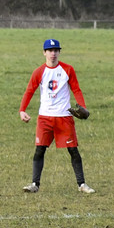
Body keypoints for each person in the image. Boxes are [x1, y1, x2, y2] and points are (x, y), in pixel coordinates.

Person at [19, 38, 93, 194]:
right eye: (50, 51)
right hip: (45, 117)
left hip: (64, 117)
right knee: (39, 150)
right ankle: (35, 184)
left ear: (59, 52)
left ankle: (82, 184)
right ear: (44, 53)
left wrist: (82, 106)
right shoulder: (39, 72)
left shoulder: (68, 70)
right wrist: (22, 110)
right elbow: (29, 91)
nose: (53, 53)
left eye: (56, 50)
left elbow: (76, 90)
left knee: (73, 150)